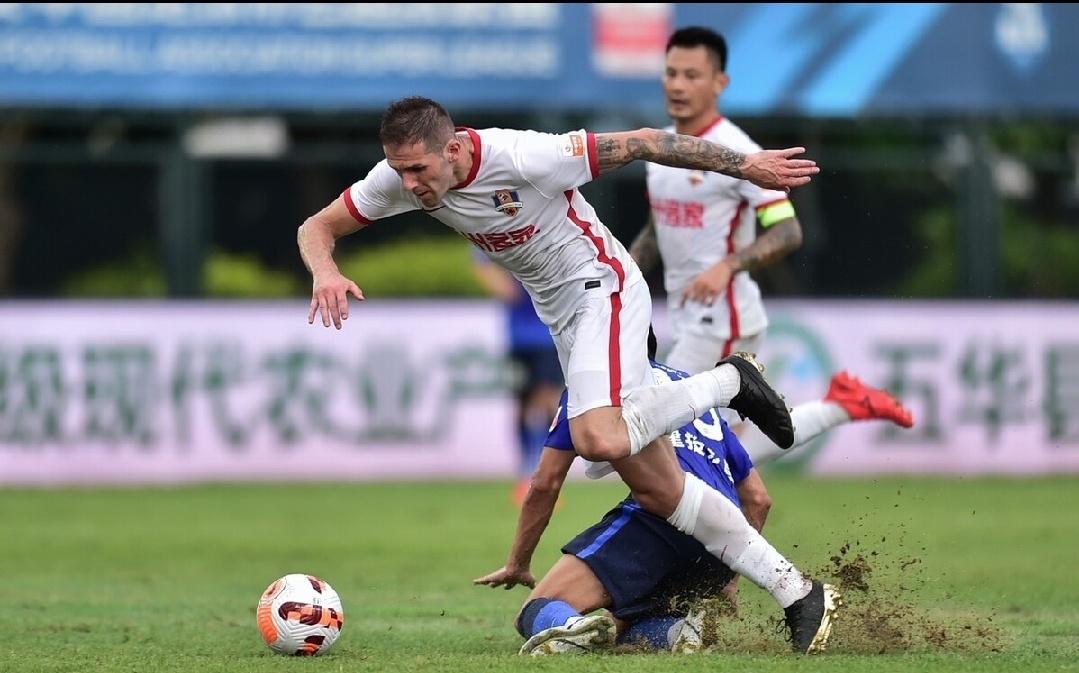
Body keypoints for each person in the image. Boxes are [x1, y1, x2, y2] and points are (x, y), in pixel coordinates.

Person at [297, 95, 828, 649]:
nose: (408, 184)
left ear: (452, 149)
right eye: (399, 170)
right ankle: (797, 592)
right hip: (565, 322)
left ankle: (729, 382)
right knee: (662, 491)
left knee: (597, 440)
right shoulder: (396, 179)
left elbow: (644, 141)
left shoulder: (524, 156)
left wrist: (747, 166)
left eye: (417, 170)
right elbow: (316, 228)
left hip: (604, 288)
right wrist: (325, 271)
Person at [475, 329, 913, 655]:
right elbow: (758, 499)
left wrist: (518, 563)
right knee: (629, 620)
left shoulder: (597, 391)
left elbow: (545, 483)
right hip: (719, 537)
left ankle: (571, 629)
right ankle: (674, 633)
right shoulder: (689, 390)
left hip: (659, 522)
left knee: (536, 610)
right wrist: (729, 573)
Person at [629, 25, 912, 460]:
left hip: (724, 320)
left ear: (720, 82)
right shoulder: (663, 150)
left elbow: (787, 230)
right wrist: (621, 274)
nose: (678, 85)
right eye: (671, 74)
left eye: (692, 75)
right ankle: (840, 405)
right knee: (719, 449)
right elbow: (657, 229)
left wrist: (726, 266)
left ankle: (838, 408)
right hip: (691, 314)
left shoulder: (737, 151)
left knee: (658, 431)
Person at [471, 251, 565, 506]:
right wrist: (500, 285)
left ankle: (547, 477)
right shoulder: (503, 232)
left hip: (549, 336)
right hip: (519, 338)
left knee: (548, 402)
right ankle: (525, 474)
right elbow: (480, 261)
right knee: (522, 406)